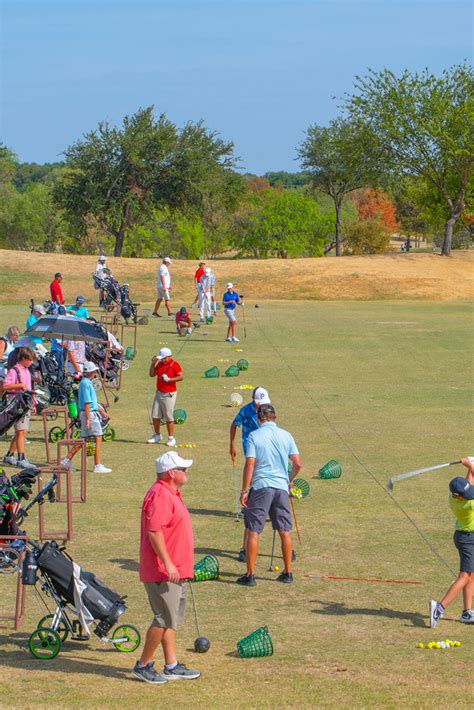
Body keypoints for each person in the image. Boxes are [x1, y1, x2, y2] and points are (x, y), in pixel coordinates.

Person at [132, 450, 200, 684]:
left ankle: (171, 665)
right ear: (172, 473)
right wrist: (168, 563)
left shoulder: (170, 492)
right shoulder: (160, 494)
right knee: (163, 618)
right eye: (183, 469)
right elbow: (154, 531)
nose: (186, 471)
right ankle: (143, 665)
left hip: (175, 569)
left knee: (171, 618)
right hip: (163, 571)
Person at [237, 404, 302, 587]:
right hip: (281, 488)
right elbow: (298, 463)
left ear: (259, 418)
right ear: (274, 417)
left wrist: (244, 490)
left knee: (253, 530)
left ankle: (250, 575)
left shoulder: (254, 436)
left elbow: (250, 464)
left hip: (261, 487)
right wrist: (289, 480)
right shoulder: (286, 435)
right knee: (284, 531)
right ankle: (288, 572)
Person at [430, 457, 474, 627]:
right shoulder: (468, 504)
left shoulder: (455, 496)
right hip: (468, 539)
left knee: (471, 575)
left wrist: (470, 468)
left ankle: (467, 612)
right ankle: (439, 608)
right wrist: (470, 465)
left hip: (464, 537)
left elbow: (468, 485)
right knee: (464, 576)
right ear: (459, 496)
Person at [230, 387, 271, 562]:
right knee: (252, 496)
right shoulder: (245, 410)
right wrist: (231, 445)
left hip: (266, 455)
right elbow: (234, 424)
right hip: (251, 455)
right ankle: (244, 548)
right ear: (253, 400)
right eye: (259, 402)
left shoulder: (268, 410)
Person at [61, 362, 112, 474]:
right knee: (98, 436)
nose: (95, 373)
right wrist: (89, 419)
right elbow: (87, 403)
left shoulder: (86, 383)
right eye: (93, 371)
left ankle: (66, 460)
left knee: (84, 439)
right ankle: (97, 465)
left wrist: (101, 411)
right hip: (89, 414)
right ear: (90, 373)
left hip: (89, 413)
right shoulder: (86, 384)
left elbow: (92, 401)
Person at [2, 347, 37, 469]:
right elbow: (6, 385)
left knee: (21, 432)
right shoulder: (14, 371)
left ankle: (9, 455)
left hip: (25, 404)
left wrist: (33, 403)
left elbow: (29, 389)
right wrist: (19, 385)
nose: (32, 362)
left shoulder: (26, 371)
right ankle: (21, 458)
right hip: (17, 404)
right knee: (21, 431)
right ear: (23, 359)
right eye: (30, 360)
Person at [147, 347, 183, 447]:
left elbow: (181, 377)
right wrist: (153, 363)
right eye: (161, 358)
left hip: (169, 394)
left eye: (164, 358)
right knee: (155, 415)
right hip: (159, 393)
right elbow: (151, 374)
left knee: (168, 417)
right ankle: (157, 435)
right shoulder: (159, 363)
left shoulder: (174, 364)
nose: (162, 360)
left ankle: (171, 438)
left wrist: (169, 379)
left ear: (169, 357)